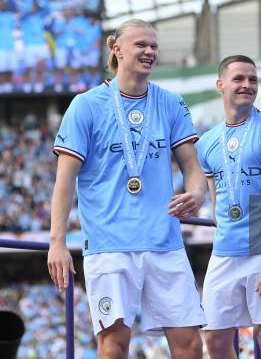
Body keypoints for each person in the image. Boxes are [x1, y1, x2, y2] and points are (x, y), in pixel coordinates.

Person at [47, 19, 206, 359]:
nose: (150, 51)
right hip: (109, 246)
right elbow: (64, 182)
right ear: (117, 49)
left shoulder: (171, 103)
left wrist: (198, 193)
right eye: (141, 44)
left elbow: (193, 169)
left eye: (154, 46)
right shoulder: (86, 105)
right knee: (114, 347)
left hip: (164, 243)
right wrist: (57, 243)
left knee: (190, 345)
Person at [197, 55, 261, 359]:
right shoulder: (206, 142)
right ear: (220, 84)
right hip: (224, 252)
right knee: (213, 339)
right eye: (239, 78)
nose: (247, 85)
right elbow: (217, 205)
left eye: (252, 79)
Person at [20, 0, 50, 93]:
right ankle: (27, 85)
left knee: (41, 66)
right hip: (29, 45)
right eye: (32, 6)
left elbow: (48, 9)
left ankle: (38, 84)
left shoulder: (40, 16)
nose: (33, 8)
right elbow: (25, 10)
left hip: (41, 44)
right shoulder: (24, 18)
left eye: (35, 6)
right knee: (28, 68)